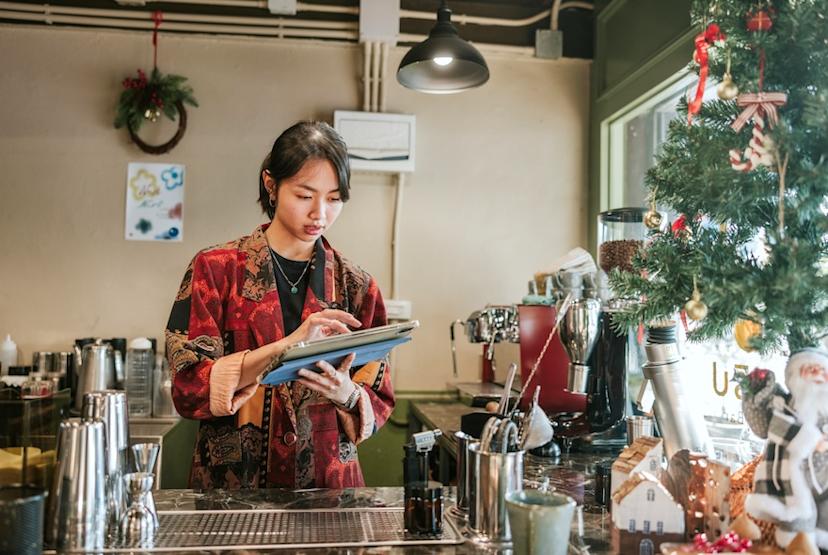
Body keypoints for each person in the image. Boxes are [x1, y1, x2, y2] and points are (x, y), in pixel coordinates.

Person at [165, 121, 394, 489]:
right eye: (305, 195)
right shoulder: (216, 270)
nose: (320, 213)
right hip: (234, 490)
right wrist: (284, 348)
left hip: (327, 491)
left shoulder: (358, 286)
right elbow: (188, 388)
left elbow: (380, 394)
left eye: (334, 199)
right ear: (271, 184)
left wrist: (347, 394)